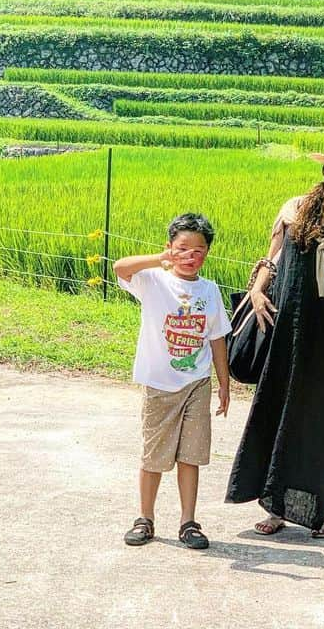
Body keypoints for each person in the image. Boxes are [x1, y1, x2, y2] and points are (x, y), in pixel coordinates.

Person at [226, 140, 324, 538]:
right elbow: (271, 259)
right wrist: (258, 290)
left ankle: (319, 513)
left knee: (321, 419)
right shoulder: (295, 208)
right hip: (285, 328)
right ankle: (273, 508)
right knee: (275, 410)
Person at [114, 213, 232, 550]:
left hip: (197, 382)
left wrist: (224, 383)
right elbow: (121, 268)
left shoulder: (209, 291)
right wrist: (159, 260)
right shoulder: (153, 280)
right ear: (169, 248)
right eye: (182, 249)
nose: (190, 257)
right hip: (160, 384)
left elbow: (217, 339)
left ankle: (188, 522)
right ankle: (145, 518)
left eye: (199, 250)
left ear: (207, 253)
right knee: (154, 454)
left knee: (191, 455)